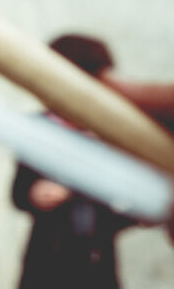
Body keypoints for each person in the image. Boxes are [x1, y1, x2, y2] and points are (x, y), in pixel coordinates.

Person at [11, 34, 137, 289]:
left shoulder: (116, 135)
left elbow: (134, 208)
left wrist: (110, 203)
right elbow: (17, 194)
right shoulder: (36, 129)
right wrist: (34, 195)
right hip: (46, 265)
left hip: (96, 266)